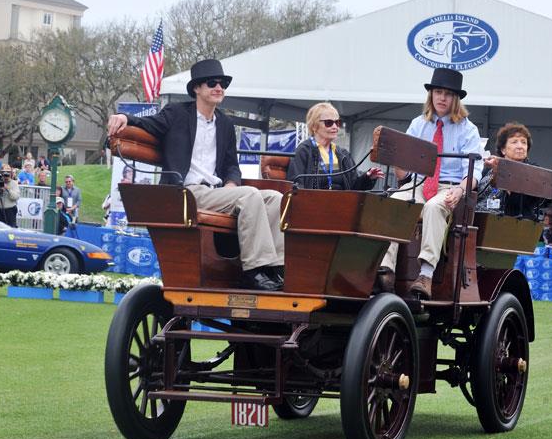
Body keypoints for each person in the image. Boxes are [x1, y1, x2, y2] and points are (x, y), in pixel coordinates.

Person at [106, 58, 285, 291]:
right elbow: (149, 124)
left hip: (216, 192)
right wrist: (125, 118)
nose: (218, 88)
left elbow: (232, 164)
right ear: (197, 89)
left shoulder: (225, 124)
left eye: (222, 84)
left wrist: (231, 183)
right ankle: (255, 270)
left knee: (275, 197)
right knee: (250, 195)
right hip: (186, 191)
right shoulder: (177, 114)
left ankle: (277, 268)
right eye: (212, 83)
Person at [376, 68, 484, 298]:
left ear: (456, 99)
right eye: (438, 92)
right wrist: (393, 157)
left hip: (449, 186)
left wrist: (459, 190)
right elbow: (404, 170)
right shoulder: (418, 124)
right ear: (431, 95)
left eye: (447, 94)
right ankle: (385, 270)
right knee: (393, 201)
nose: (442, 98)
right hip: (419, 183)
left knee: (434, 207)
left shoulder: (468, 129)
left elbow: (474, 173)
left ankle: (425, 274)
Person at [286, 102, 382, 190]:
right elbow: (296, 186)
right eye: (329, 123)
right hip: (314, 205)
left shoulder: (343, 154)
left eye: (337, 122)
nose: (335, 127)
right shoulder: (304, 151)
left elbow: (354, 187)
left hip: (342, 205)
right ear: (314, 126)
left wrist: (368, 177)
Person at [477, 122, 545, 219]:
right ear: (503, 150)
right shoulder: (487, 168)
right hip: (479, 221)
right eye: (514, 142)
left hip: (512, 224)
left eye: (523, 142)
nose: (520, 146)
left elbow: (517, 203)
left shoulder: (532, 170)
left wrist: (500, 172)